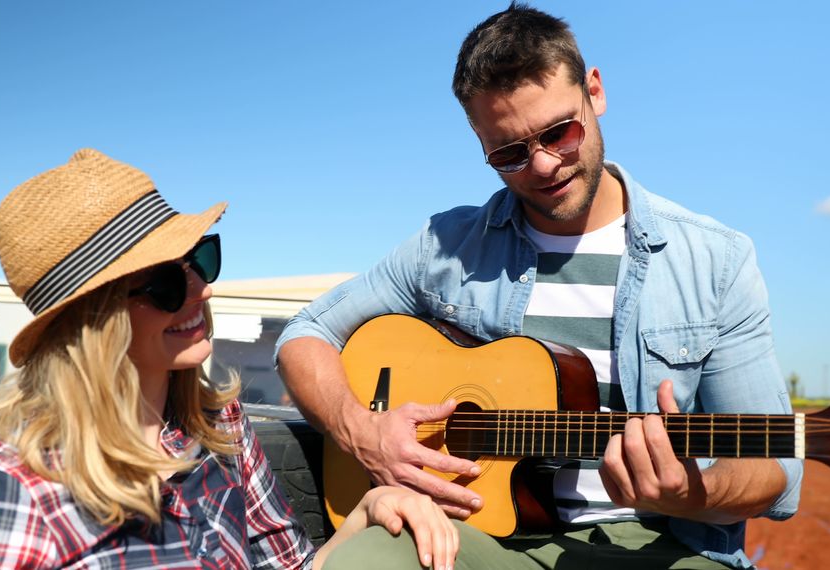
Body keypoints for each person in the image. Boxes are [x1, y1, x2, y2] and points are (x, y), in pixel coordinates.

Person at [276, 4, 802, 569]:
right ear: (481, 143)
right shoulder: (445, 246)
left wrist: (687, 494)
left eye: (560, 132)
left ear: (594, 92)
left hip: (666, 547)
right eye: (509, 153)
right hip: (487, 538)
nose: (544, 164)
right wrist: (363, 431)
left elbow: (776, 470)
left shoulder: (715, 259)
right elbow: (305, 334)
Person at [0, 149, 457, 570]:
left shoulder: (220, 427)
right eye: (168, 282)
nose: (202, 290)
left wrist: (369, 510)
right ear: (91, 323)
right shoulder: (20, 488)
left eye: (201, 259)